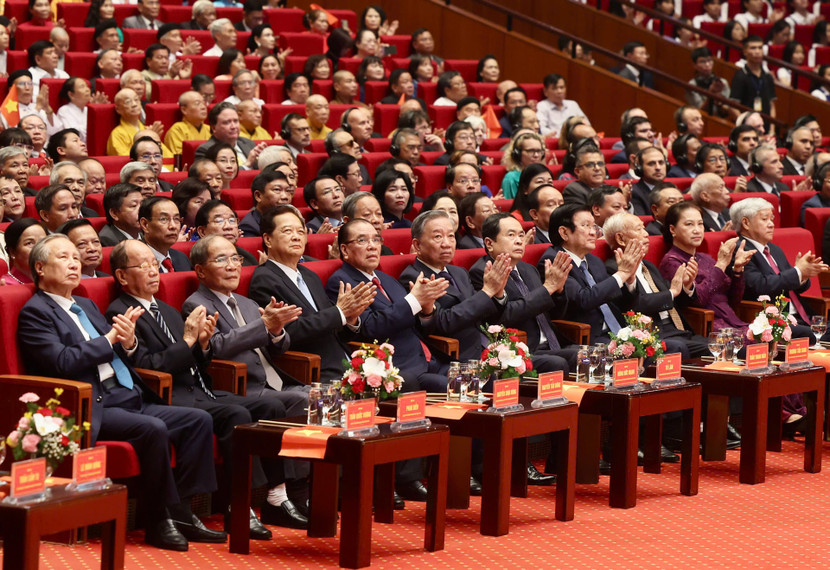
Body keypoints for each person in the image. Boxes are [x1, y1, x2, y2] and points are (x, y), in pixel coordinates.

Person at [17, 234, 221, 551]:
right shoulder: (36, 312)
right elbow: (62, 362)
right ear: (40, 268)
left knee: (197, 420)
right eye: (64, 257)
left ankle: (182, 511)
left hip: (127, 394)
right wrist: (110, 338)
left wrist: (129, 343)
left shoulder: (83, 303)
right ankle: (157, 519)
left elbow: (118, 352)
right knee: (153, 428)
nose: (74, 263)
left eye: (75, 257)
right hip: (92, 403)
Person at [109, 237, 305, 533]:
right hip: (168, 396)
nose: (153, 271)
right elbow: (148, 367)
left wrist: (201, 346)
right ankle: (236, 505)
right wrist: (189, 341)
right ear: (122, 275)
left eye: (154, 264)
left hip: (200, 389)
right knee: (236, 416)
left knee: (272, 405)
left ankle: (276, 496)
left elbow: (193, 362)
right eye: (143, 265)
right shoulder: (122, 312)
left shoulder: (165, 309)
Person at [249, 205, 377, 381]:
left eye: (301, 232)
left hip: (346, 360)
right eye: (287, 231)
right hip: (313, 369)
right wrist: (340, 312)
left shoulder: (309, 275)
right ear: (268, 240)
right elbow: (290, 332)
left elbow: (334, 325)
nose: (296, 237)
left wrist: (351, 318)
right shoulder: (265, 279)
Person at [325, 218, 450, 395]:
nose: (372, 246)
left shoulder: (386, 279)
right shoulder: (342, 282)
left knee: (478, 377)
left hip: (431, 360)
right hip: (399, 368)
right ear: (344, 250)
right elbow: (369, 327)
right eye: (362, 240)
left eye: (376, 239)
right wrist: (415, 301)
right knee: (456, 386)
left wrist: (426, 308)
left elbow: (411, 319)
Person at [470, 212, 576, 376]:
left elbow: (555, 314)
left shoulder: (528, 269)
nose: (519, 240)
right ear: (489, 243)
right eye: (511, 235)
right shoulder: (483, 273)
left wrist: (558, 291)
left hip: (553, 343)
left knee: (592, 353)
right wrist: (547, 288)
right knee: (563, 361)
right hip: (521, 350)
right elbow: (504, 317)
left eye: (521, 235)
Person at [604, 212, 709, 358]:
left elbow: (672, 300)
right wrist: (672, 292)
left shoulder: (648, 266)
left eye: (644, 228)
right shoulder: (613, 270)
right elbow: (634, 305)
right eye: (639, 229)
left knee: (727, 344)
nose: (646, 234)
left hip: (678, 330)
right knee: (704, 348)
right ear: (621, 238)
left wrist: (686, 285)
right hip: (652, 334)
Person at [544, 203, 641, 344]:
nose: (593, 232)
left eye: (594, 226)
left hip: (618, 332)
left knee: (665, 348)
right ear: (564, 233)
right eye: (585, 226)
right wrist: (622, 274)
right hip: (587, 337)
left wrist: (629, 281)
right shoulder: (555, 261)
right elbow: (583, 300)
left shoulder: (594, 261)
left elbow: (617, 301)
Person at [733, 197, 826, 341]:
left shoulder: (774, 250)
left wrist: (804, 275)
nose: (771, 225)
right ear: (745, 222)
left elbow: (793, 285)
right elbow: (759, 286)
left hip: (801, 315)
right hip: (772, 321)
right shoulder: (740, 251)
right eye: (765, 219)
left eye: (772, 219)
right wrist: (797, 272)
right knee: (810, 334)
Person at [659, 201, 754, 332]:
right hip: (706, 325)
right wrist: (720, 264)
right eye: (689, 224)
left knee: (774, 335)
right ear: (672, 230)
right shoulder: (672, 262)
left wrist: (737, 269)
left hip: (732, 321)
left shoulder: (705, 258)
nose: (697, 230)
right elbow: (700, 301)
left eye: (700, 224)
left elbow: (734, 300)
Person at [194, 102, 262, 169]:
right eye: (226, 122)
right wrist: (246, 165)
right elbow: (215, 176)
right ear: (214, 128)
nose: (233, 126)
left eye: (235, 121)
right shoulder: (205, 150)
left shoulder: (249, 143)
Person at [194, 200, 256, 265]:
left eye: (232, 220)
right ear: (202, 232)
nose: (228, 226)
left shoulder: (247, 257)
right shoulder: (199, 261)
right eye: (219, 221)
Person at [138, 196, 192, 272]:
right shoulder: (136, 261)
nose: (173, 226)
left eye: (176, 219)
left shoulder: (181, 258)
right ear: (145, 224)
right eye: (163, 219)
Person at [731, 36, 777, 120]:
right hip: (747, 126)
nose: (757, 51)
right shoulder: (740, 76)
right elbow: (733, 106)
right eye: (753, 48)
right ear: (745, 51)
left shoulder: (767, 76)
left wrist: (772, 129)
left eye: (760, 48)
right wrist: (745, 123)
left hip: (765, 125)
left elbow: (772, 105)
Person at [239, 170, 294, 238]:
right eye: (277, 190)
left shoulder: (293, 219)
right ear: (258, 196)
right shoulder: (249, 227)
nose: (285, 196)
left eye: (288, 190)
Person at [686, 46, 734, 118]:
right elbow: (699, 111)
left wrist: (720, 101)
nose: (707, 65)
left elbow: (727, 112)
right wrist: (711, 94)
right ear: (694, 65)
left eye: (709, 60)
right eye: (702, 61)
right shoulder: (692, 85)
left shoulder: (722, 82)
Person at [163, 91, 210, 157]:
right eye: (197, 103)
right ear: (184, 110)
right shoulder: (177, 130)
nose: (203, 107)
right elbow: (180, 157)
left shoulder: (209, 129)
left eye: (204, 103)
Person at [501, 132, 546, 200]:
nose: (536, 155)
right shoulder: (511, 178)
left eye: (539, 151)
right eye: (531, 151)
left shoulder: (545, 175)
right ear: (518, 154)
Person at [2, 218, 46, 285]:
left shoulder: (56, 279)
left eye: (43, 241)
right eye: (29, 243)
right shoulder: (6, 286)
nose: (39, 247)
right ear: (12, 252)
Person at [107, 89, 147, 157]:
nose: (134, 104)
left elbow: (167, 157)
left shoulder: (147, 130)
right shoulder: (118, 134)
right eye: (128, 102)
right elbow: (126, 160)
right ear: (118, 109)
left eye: (136, 100)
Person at [629, 146, 668, 216]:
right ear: (640, 168)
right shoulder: (635, 193)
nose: (658, 168)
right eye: (651, 163)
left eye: (661, 162)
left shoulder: (671, 188)